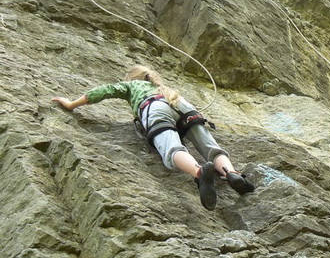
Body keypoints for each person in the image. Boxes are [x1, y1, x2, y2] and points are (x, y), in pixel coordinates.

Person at [51, 65, 254, 210]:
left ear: (133, 78)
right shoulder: (164, 88)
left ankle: (200, 173)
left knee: (172, 148)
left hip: (153, 108)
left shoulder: (133, 86)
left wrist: (71, 104)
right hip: (181, 104)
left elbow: (106, 91)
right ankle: (231, 174)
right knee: (211, 147)